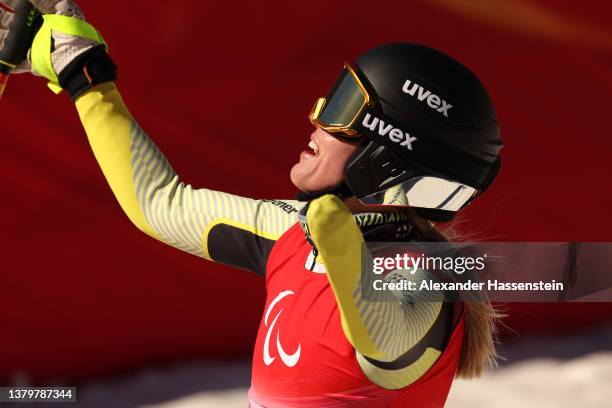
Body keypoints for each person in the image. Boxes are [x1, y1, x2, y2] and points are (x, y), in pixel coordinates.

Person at [0, 1, 504, 406]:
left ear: (391, 157)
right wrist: (83, 76)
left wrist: (344, 254)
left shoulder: (426, 277)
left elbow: (383, 331)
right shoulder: (298, 230)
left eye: (345, 110)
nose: (316, 122)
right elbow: (161, 204)